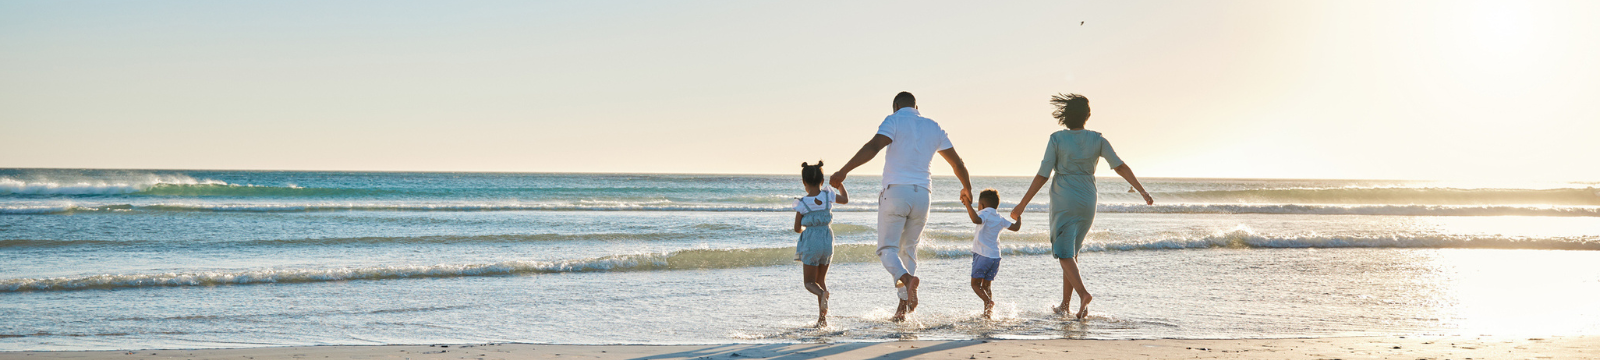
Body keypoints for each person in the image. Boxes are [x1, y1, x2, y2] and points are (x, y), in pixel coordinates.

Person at [831, 91, 974, 322]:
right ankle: (902, 309)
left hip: (896, 192)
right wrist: (967, 187)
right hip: (923, 196)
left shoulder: (894, 120)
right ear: (917, 105)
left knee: (887, 250)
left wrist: (844, 171)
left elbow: (873, 146)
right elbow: (958, 163)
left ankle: (907, 282)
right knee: (908, 251)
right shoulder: (933, 126)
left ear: (895, 106)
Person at [1010, 93, 1153, 320]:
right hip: (1088, 199)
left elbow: (1043, 174)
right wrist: (1142, 190)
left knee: (1063, 252)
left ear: (1065, 117)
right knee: (1071, 253)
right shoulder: (1098, 139)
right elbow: (1120, 166)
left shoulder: (1056, 139)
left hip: (1064, 199)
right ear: (1087, 116)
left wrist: (1022, 204)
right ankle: (1065, 305)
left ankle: (1083, 294)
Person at [793, 161, 847, 328]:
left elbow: (796, 228)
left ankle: (823, 295)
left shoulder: (801, 203)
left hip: (811, 242)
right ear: (822, 181)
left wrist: (806, 230)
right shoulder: (827, 195)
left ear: (804, 182)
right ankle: (822, 320)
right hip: (827, 239)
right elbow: (845, 200)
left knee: (809, 283)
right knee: (820, 279)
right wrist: (840, 185)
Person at [961, 188, 1021, 320]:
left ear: (981, 205)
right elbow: (1016, 228)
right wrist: (1019, 218)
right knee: (986, 286)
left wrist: (967, 204)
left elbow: (976, 219)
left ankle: (988, 303)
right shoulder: (999, 218)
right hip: (995, 258)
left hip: (982, 255)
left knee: (975, 284)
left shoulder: (984, 214)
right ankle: (987, 313)